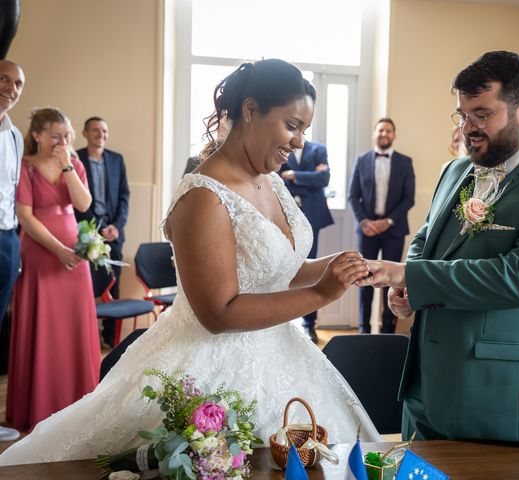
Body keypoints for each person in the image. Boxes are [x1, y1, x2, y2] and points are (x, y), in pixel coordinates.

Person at [0, 59, 379, 465]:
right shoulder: (203, 195)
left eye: (304, 129)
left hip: (283, 353)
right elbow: (218, 311)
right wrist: (323, 292)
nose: (300, 142)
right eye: (292, 125)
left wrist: (330, 265)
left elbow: (276, 270)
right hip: (209, 368)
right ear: (250, 111)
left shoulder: (268, 179)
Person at [358, 51, 519, 444]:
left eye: (482, 114)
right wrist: (409, 289)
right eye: (462, 114)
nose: (468, 127)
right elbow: (426, 239)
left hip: (500, 398)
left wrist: (409, 274)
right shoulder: (455, 170)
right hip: (425, 388)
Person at [7, 107, 101, 433]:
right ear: (37, 136)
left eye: (67, 135)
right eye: (55, 136)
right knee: (43, 324)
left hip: (75, 258)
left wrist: (67, 165)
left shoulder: (72, 164)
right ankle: (38, 406)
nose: (63, 141)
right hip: (40, 252)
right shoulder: (26, 167)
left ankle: (77, 404)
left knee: (73, 325)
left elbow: (84, 204)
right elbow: (26, 216)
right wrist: (58, 250)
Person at [348, 118, 415, 333]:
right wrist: (365, 222)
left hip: (394, 230)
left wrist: (388, 222)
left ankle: (387, 331)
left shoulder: (405, 162)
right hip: (367, 230)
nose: (384, 134)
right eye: (380, 130)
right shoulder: (362, 160)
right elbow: (352, 195)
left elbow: (408, 198)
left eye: (388, 131)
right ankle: (363, 329)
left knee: (392, 281)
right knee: (363, 278)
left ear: (393, 135)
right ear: (375, 134)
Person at [75, 117, 130, 348]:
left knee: (112, 284)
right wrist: (92, 229)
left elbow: (124, 196)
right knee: (83, 283)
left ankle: (109, 336)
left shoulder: (116, 160)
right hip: (84, 232)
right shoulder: (75, 158)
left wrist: (117, 226)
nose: (101, 134)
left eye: (104, 131)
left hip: (113, 233)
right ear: (85, 132)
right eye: (95, 130)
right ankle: (84, 334)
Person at [279, 140, 333, 343]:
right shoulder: (281, 145)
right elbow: (275, 178)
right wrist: (309, 178)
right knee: (282, 266)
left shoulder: (319, 150)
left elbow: (323, 178)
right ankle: (280, 321)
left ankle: (309, 324)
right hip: (284, 216)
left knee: (312, 269)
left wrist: (293, 175)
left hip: (312, 216)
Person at [0, 60, 24, 442]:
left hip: (6, 240)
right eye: (5, 78)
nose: (12, 87)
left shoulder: (16, 135)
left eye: (18, 83)